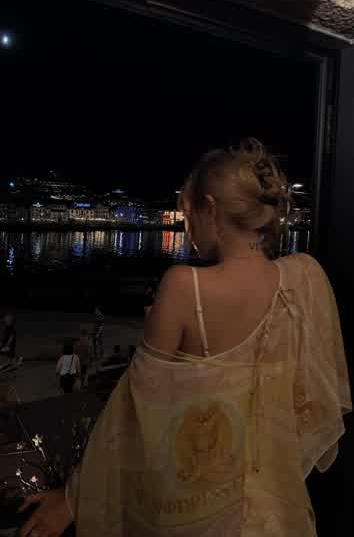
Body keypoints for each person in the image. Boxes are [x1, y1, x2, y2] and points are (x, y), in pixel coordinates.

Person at [19, 139, 352, 537]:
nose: (185, 227)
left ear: (210, 208)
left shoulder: (184, 286)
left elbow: (134, 410)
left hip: (204, 512)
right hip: (278, 510)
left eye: (187, 214)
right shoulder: (305, 278)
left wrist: (73, 497)